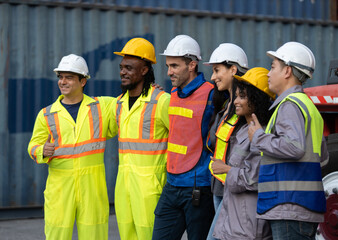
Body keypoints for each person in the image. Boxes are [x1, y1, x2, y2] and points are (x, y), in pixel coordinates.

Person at [28, 54, 114, 240]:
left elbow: (130, 102)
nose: (62, 82)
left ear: (83, 81)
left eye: (69, 77)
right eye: (60, 77)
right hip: (60, 188)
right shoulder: (47, 114)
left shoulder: (101, 107)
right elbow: (33, 146)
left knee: (95, 234)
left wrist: (151, 88)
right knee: (57, 234)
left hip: (92, 188)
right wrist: (42, 150)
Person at [248, 42, 329, 239]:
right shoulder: (307, 106)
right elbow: (323, 158)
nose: (268, 73)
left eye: (273, 67)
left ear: (287, 71)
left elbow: (294, 148)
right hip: (301, 206)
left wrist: (258, 136)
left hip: (289, 206)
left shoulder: (289, 106)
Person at [152, 34, 215, 240]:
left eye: (174, 66)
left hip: (199, 188)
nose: (169, 71)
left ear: (192, 65)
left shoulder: (212, 94)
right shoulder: (173, 94)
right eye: (168, 66)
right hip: (172, 185)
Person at [108, 38, 170, 240]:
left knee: (151, 235)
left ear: (144, 70)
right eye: (121, 67)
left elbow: (181, 141)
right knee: (127, 235)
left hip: (150, 186)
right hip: (124, 185)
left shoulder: (162, 101)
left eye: (129, 67)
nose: (122, 72)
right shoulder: (119, 103)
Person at [211, 67, 274, 240]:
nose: (236, 101)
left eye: (242, 96)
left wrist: (225, 169)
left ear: (257, 99)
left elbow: (253, 179)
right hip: (234, 223)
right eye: (237, 96)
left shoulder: (262, 134)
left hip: (248, 226)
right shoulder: (243, 131)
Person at [203, 43, 249, 240]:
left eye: (216, 70)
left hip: (234, 189)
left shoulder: (247, 108)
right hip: (219, 186)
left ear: (233, 69)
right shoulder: (225, 105)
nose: (213, 77)